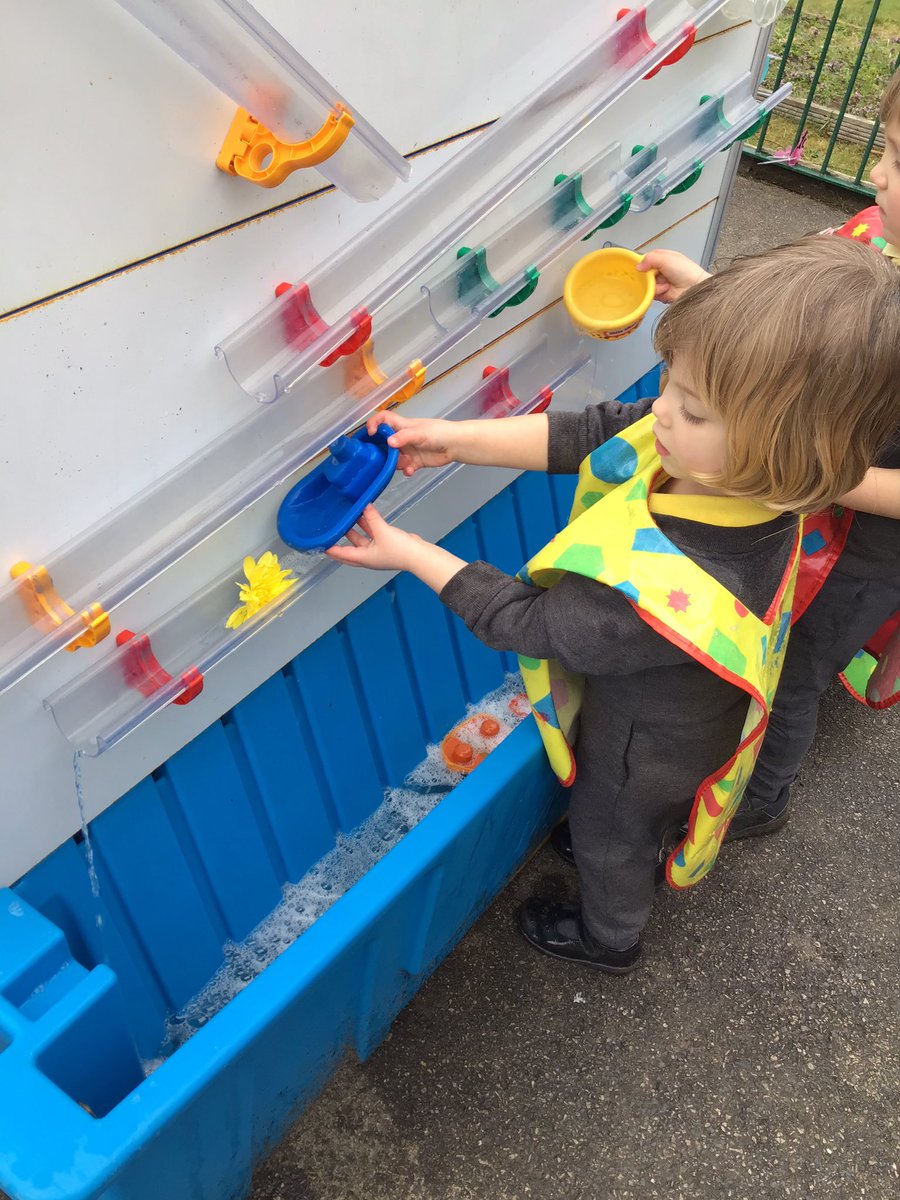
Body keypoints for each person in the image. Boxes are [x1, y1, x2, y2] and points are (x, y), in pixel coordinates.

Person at [326, 237, 900, 972]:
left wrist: (411, 552)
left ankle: (610, 936)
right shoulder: (748, 473)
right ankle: (647, 834)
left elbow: (522, 621)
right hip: (697, 708)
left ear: (783, 446)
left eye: (689, 409)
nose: (658, 411)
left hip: (646, 745)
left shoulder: (663, 589)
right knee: (636, 816)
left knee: (609, 832)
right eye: (669, 386)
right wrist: (454, 438)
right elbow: (596, 434)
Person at [634, 71, 900, 840]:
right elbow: (817, 350)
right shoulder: (878, 241)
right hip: (819, 512)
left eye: (896, 157)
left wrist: (808, 465)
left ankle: (761, 800)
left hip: (867, 554)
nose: (875, 173)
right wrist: (712, 299)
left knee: (792, 676)